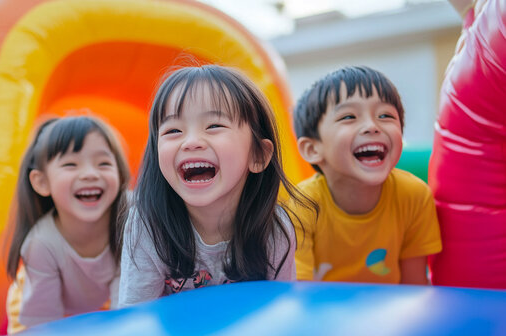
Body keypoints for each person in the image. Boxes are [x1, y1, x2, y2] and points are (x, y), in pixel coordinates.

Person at [118, 65, 316, 307]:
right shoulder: (148, 227)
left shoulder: (273, 230)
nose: (191, 142)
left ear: (258, 155)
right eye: (173, 130)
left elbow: (278, 312)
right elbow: (136, 318)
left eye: (214, 126)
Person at [292, 65, 442, 284]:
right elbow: (298, 295)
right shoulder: (301, 207)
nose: (372, 126)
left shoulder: (414, 196)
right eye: (349, 117)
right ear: (312, 149)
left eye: (385, 115)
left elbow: (415, 289)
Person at [5, 116, 130, 333]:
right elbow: (42, 327)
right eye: (70, 164)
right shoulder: (41, 245)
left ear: (119, 173)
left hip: (101, 297)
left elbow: (127, 304)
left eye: (104, 163)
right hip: (35, 295)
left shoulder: (131, 220)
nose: (90, 174)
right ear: (42, 182)